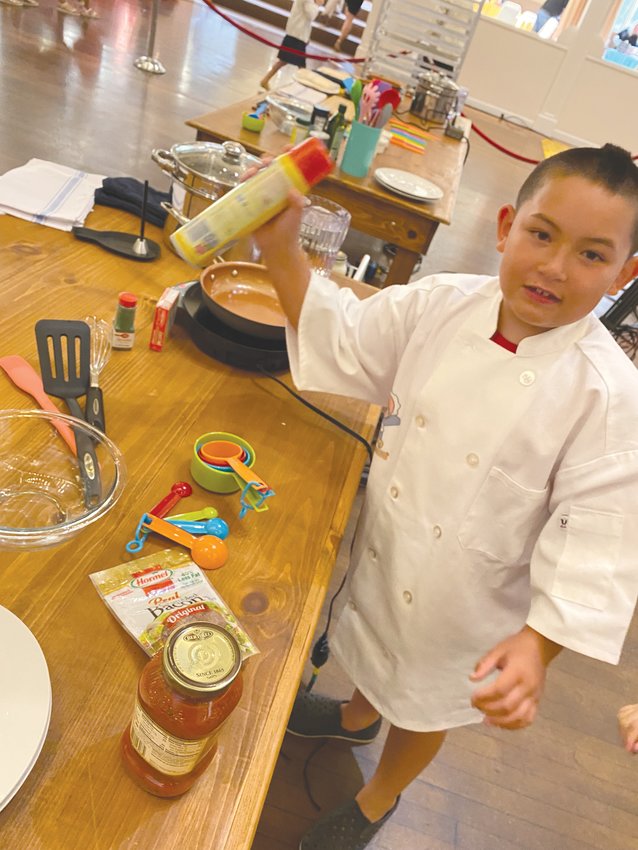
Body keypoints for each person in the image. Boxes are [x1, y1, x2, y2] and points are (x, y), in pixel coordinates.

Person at [254, 143, 638, 850]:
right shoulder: (440, 304)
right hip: (392, 548)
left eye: (592, 255)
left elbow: (599, 540)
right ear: (505, 226)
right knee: (371, 644)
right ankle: (353, 718)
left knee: (422, 704)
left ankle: (376, 798)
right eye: (542, 234)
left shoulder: (609, 396)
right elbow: (345, 333)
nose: (555, 267)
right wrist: (281, 248)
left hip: (473, 611)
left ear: (626, 272)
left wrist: (534, 647)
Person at [260, 0, 338, 90]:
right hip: (296, 35)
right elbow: (311, 15)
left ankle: (266, 80)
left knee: (285, 61)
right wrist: (317, 5)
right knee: (297, 65)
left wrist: (306, 37)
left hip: (297, 33)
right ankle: (301, 88)